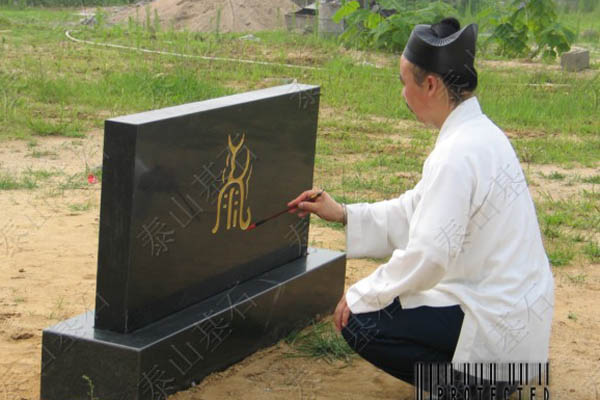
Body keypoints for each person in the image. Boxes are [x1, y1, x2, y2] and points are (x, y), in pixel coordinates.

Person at [287, 17, 553, 397]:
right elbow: (415, 210)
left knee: (360, 319)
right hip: (515, 315)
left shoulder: (456, 154)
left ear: (429, 84)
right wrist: (344, 213)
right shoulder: (482, 134)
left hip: (493, 316)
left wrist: (366, 292)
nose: (402, 94)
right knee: (379, 303)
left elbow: (430, 254)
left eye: (404, 82)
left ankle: (471, 387)